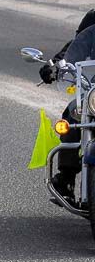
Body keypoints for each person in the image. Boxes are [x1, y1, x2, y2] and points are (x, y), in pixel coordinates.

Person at [39, 12, 95, 203]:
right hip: (94, 91)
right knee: (74, 113)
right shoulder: (93, 18)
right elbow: (76, 45)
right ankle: (66, 179)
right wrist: (55, 65)